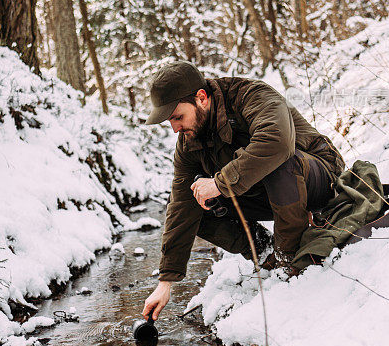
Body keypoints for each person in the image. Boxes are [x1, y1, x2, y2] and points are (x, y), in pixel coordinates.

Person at [142, 61, 345, 321]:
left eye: (177, 117)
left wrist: (217, 183)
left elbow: (278, 143)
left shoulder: (252, 95)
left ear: (201, 98)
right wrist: (166, 281)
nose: (174, 129)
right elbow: (180, 205)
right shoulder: (189, 141)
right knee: (194, 199)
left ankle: (287, 260)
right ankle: (264, 252)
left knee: (276, 162)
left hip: (319, 179)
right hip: (266, 192)